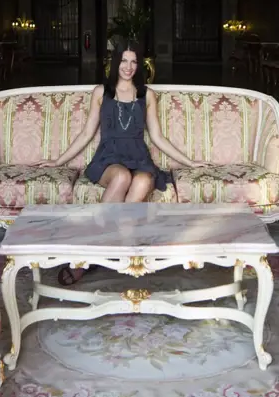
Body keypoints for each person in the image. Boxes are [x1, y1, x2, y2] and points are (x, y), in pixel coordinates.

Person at [37, 40, 209, 284]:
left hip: (139, 157)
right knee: (121, 177)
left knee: (142, 181)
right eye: (124, 61)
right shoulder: (101, 92)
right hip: (109, 157)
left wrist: (190, 163)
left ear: (140, 65)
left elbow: (158, 137)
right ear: (115, 62)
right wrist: (57, 161)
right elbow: (87, 133)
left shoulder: (146, 94)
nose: (128, 67)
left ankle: (112, 250)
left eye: (134, 62)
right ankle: (88, 256)